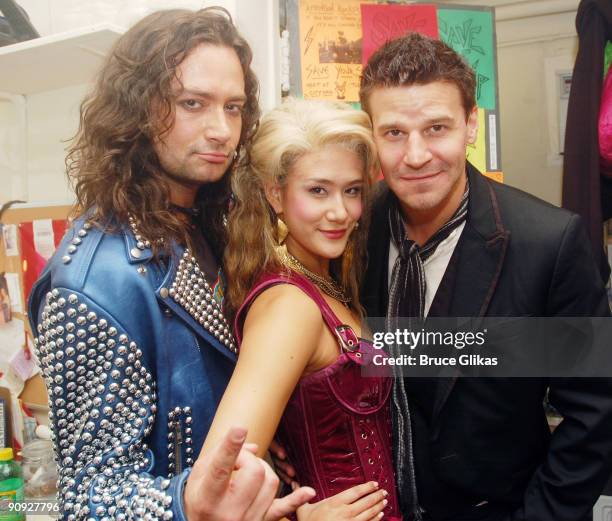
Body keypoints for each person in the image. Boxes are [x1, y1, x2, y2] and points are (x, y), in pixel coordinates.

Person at [28, 8, 314, 521]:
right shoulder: (93, 283)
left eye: (233, 107)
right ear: (136, 110)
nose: (221, 129)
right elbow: (87, 499)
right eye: (192, 104)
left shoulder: (209, 225)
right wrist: (188, 501)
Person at [358, 32, 612, 521]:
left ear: (471, 125)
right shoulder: (350, 232)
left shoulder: (547, 243)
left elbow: (594, 412)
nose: (415, 156)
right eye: (393, 133)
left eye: (437, 128)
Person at [202, 97, 400, 520]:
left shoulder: (323, 282)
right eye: (317, 190)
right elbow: (218, 489)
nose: (340, 212)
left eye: (352, 191)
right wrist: (298, 518)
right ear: (276, 194)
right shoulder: (288, 306)